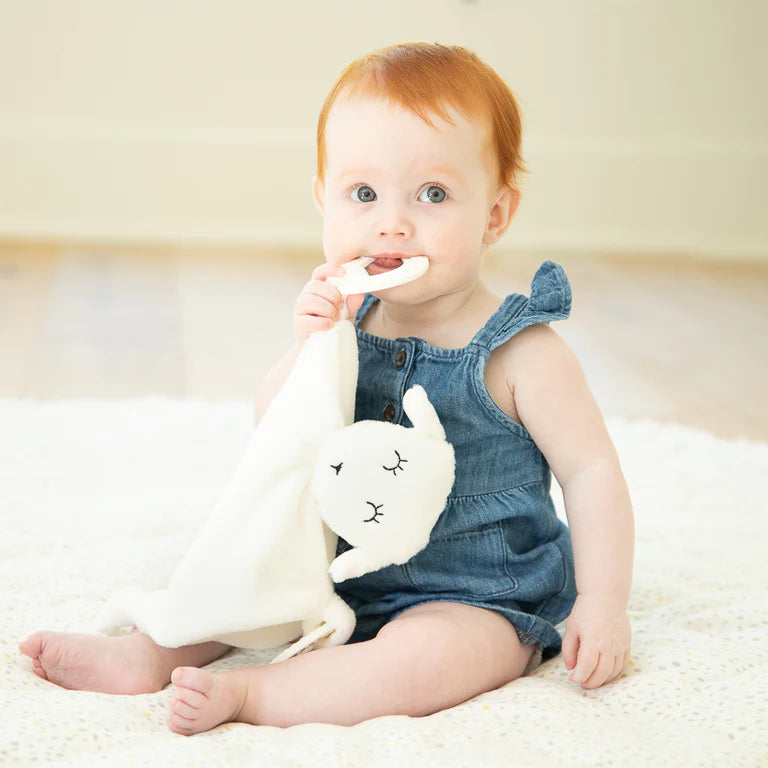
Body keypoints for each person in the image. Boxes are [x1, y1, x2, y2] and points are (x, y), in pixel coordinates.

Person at [19, 42, 633, 734]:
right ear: (323, 200)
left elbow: (591, 472)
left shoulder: (522, 351)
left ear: (495, 213)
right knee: (238, 573)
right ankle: (146, 651)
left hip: (476, 589)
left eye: (433, 194)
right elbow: (276, 427)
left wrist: (601, 603)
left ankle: (257, 695)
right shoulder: (347, 320)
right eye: (363, 194)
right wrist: (312, 344)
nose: (391, 222)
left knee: (426, 661)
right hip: (333, 560)